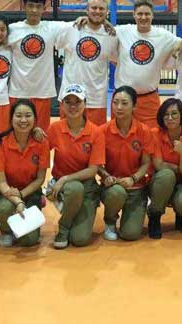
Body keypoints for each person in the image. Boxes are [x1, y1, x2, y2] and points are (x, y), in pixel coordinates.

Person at [45, 84, 105, 249]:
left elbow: (93, 170)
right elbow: (40, 153)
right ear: (62, 105)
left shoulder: (95, 132)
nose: (73, 106)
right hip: (65, 189)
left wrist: (64, 179)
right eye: (68, 102)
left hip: (86, 186)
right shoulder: (55, 128)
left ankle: (76, 213)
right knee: (74, 188)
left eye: (77, 102)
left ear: (85, 104)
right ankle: (64, 229)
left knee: (80, 239)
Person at [6, 0, 72, 131]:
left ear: (44, 8)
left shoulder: (52, 27)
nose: (34, 10)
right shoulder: (12, 29)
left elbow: (79, 25)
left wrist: (82, 19)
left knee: (40, 135)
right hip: (18, 92)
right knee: (16, 132)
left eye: (38, 6)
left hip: (43, 93)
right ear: (24, 6)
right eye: (30, 6)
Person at [0, 99, 50, 248]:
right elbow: (1, 182)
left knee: (29, 241)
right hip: (4, 192)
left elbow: (40, 178)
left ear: (35, 119)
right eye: (18, 116)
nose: (23, 120)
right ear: (11, 119)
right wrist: (18, 201)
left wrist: (22, 195)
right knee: (5, 207)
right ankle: (6, 230)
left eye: (28, 115)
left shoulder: (41, 142)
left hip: (29, 191)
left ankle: (35, 203)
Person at [98, 86, 155, 241]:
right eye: (115, 102)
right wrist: (105, 176)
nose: (119, 107)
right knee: (117, 193)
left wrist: (133, 179)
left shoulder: (144, 131)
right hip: (113, 187)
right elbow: (96, 163)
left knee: (130, 234)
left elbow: (146, 164)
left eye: (124, 103)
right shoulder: (102, 131)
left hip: (136, 188)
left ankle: (142, 208)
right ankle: (110, 221)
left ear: (134, 106)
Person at [114, 0, 180, 127]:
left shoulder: (164, 36)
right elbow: (101, 29)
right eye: (140, 14)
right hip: (122, 99)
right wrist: (84, 20)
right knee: (120, 138)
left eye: (147, 14)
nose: (143, 17)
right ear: (134, 15)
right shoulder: (122, 31)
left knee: (151, 138)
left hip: (149, 99)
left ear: (152, 15)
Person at [57, 0, 118, 126]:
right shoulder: (71, 28)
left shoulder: (111, 35)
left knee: (94, 142)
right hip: (70, 97)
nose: (97, 11)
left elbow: (118, 61)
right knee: (66, 142)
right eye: (94, 8)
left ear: (107, 12)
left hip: (96, 99)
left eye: (101, 9)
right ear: (87, 10)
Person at [148, 98, 182, 238]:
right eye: (166, 114)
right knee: (166, 175)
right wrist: (179, 168)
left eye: (174, 114)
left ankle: (180, 211)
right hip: (159, 183)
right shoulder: (154, 134)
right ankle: (155, 215)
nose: (170, 118)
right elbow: (159, 165)